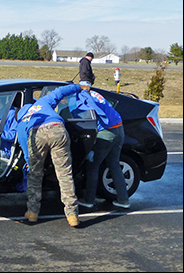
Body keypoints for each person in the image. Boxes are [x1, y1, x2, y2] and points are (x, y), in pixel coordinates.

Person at [15, 84, 88, 227]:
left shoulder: (21, 123)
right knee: (65, 174)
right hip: (57, 129)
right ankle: (72, 215)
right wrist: (79, 87)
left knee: (35, 175)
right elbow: (60, 92)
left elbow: (25, 147)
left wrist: (30, 162)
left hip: (36, 134)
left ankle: (32, 213)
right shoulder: (42, 102)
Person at [76, 89, 130, 209]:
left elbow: (83, 112)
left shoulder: (84, 97)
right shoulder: (94, 93)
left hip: (106, 132)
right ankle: (123, 200)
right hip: (119, 129)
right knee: (114, 164)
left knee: (93, 165)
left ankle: (89, 199)